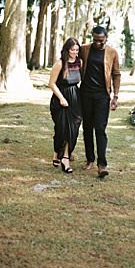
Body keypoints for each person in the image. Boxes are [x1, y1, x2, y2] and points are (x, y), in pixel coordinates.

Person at [79, 25, 121, 178]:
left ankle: (102, 165)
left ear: (106, 38)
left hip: (102, 96)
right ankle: (89, 159)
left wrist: (115, 97)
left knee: (100, 129)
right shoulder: (84, 49)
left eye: (101, 41)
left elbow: (116, 74)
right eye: (95, 40)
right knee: (87, 128)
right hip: (85, 94)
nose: (97, 43)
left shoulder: (112, 52)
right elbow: (70, 55)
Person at [48, 38, 83, 174]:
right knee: (61, 129)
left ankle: (66, 157)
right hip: (60, 98)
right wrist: (62, 98)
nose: (75, 52)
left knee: (73, 128)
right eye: (72, 49)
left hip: (75, 97)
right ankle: (56, 152)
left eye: (77, 50)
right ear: (67, 50)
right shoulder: (60, 63)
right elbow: (51, 83)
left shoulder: (80, 62)